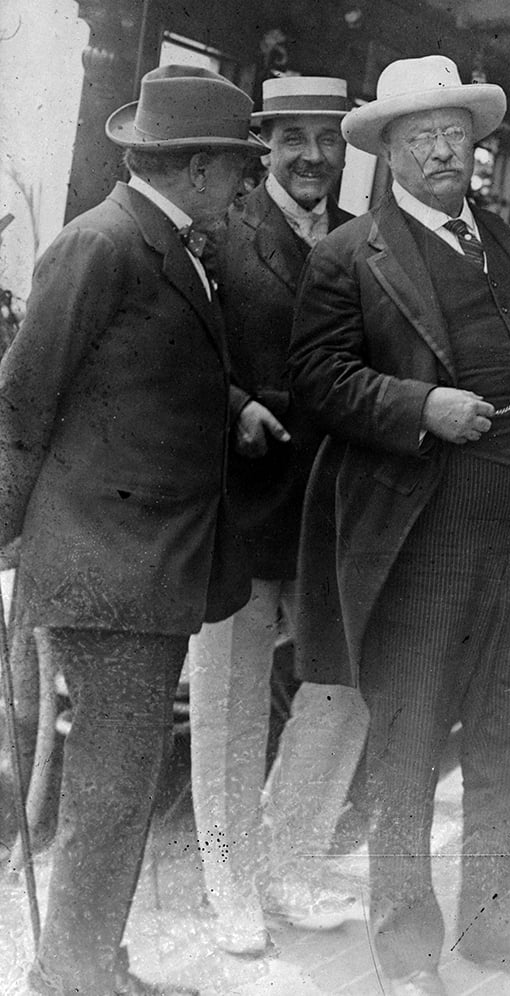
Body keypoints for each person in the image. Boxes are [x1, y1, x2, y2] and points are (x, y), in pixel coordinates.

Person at [288, 55, 510, 995]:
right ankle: (407, 950)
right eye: (422, 138)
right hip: (421, 536)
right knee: (408, 750)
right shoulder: (347, 256)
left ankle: (498, 932)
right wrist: (422, 406)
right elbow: (319, 381)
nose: (445, 150)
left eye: (455, 133)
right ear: (389, 152)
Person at [0, 64, 262, 996]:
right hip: (105, 570)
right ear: (195, 167)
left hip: (143, 564)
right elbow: (24, 403)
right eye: (239, 168)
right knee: (112, 792)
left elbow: (137, 369)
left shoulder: (167, 240)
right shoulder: (102, 245)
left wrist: (230, 404)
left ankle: (83, 965)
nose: (243, 187)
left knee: (121, 782)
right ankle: (73, 978)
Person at [187, 74, 366, 957]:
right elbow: (177, 348)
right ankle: (228, 884)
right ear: (265, 146)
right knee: (226, 708)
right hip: (244, 496)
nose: (312, 157)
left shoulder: (367, 240)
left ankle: (290, 863)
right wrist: (232, 406)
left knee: (345, 687)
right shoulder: (222, 234)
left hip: (334, 501)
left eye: (328, 139)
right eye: (294, 138)